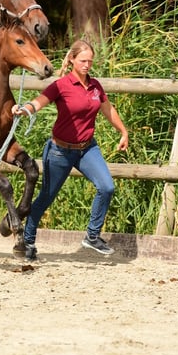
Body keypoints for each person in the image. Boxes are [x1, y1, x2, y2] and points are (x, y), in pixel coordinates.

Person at [11, 39, 129, 262]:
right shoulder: (61, 85)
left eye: (90, 61)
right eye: (83, 60)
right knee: (45, 198)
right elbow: (38, 102)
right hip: (60, 152)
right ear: (72, 59)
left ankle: (92, 236)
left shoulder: (95, 86)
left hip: (87, 149)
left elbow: (108, 109)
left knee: (107, 187)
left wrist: (123, 132)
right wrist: (23, 110)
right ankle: (27, 241)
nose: (87, 65)